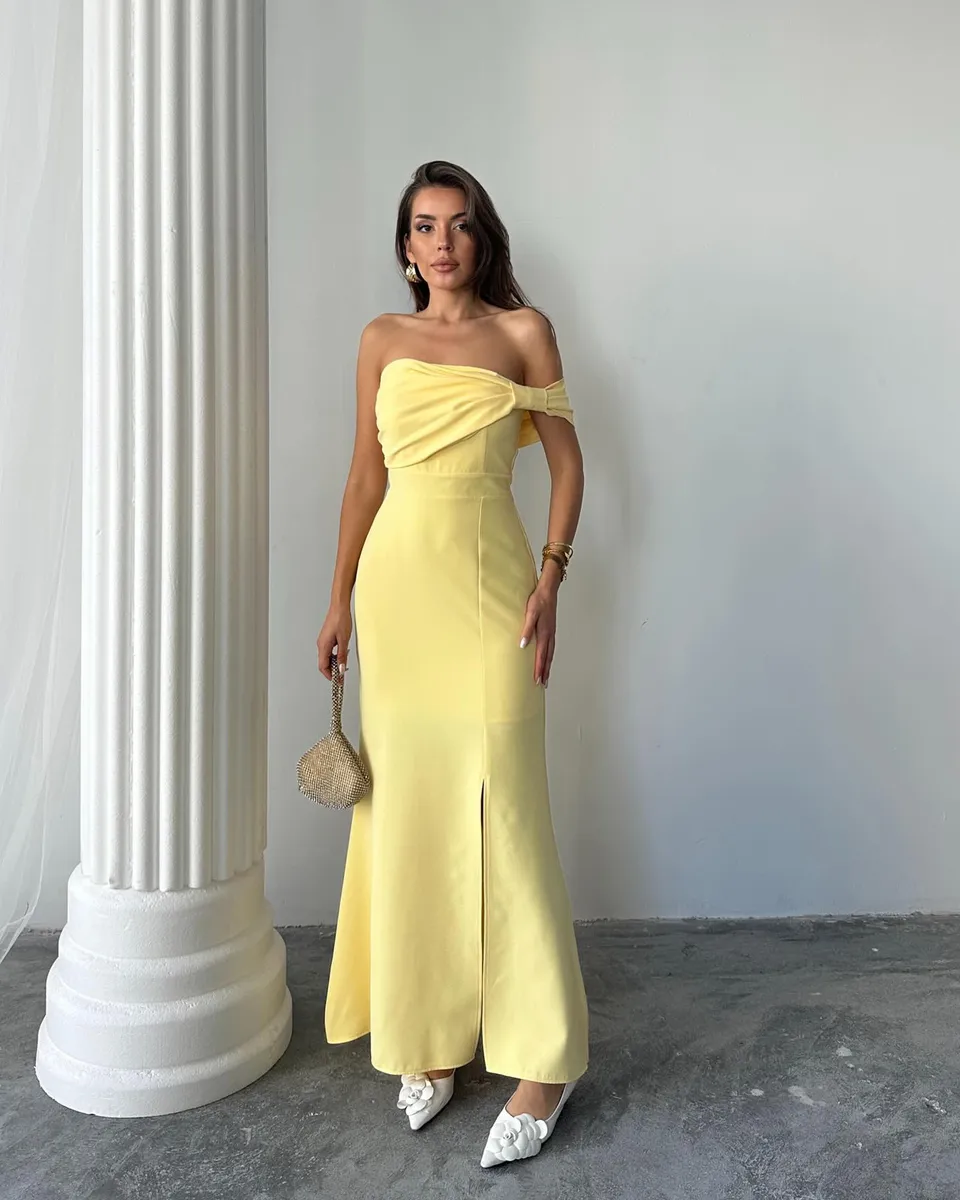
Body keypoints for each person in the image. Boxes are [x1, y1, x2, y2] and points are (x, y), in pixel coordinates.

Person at [316, 160, 588, 1168]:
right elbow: (365, 476)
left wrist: (551, 578)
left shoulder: (524, 333)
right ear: (405, 246)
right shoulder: (380, 341)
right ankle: (426, 1035)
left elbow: (568, 463)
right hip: (397, 596)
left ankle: (545, 1061)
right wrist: (338, 598)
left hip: (492, 589)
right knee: (410, 812)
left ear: (483, 238)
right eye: (426, 226)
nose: (443, 242)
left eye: (460, 225)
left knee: (506, 809)